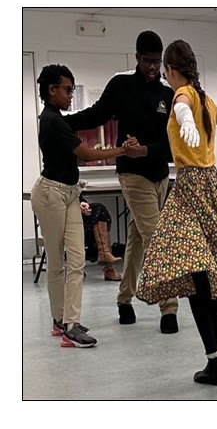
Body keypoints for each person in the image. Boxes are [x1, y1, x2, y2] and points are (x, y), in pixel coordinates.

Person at [135, 39, 217, 386]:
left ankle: (216, 361)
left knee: (194, 278)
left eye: (166, 71)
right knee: (201, 281)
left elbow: (184, 104)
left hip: (190, 187)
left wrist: (184, 118)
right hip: (212, 186)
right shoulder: (203, 96)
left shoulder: (184, 95)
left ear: (171, 70)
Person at [64, 30, 180, 334]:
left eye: (157, 62)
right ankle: (169, 308)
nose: (153, 67)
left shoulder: (167, 95)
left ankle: (124, 299)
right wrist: (64, 121)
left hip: (160, 175)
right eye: (147, 61)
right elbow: (97, 115)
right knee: (156, 237)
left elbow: (170, 143)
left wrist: (147, 150)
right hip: (132, 174)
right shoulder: (121, 85)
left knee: (139, 239)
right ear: (137, 57)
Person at [31, 64, 127, 348]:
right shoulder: (51, 120)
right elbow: (85, 155)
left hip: (69, 194)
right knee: (58, 262)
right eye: (68, 89)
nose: (71, 94)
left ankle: (70, 323)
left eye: (72, 89)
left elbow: (82, 131)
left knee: (76, 259)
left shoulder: (58, 118)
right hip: (50, 195)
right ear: (52, 90)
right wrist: (122, 149)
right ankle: (60, 321)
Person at [80, 196, 123, 281]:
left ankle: (105, 253)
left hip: (78, 209)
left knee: (100, 209)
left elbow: (77, 196)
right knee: (99, 211)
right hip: (65, 212)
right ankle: (108, 265)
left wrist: (83, 204)